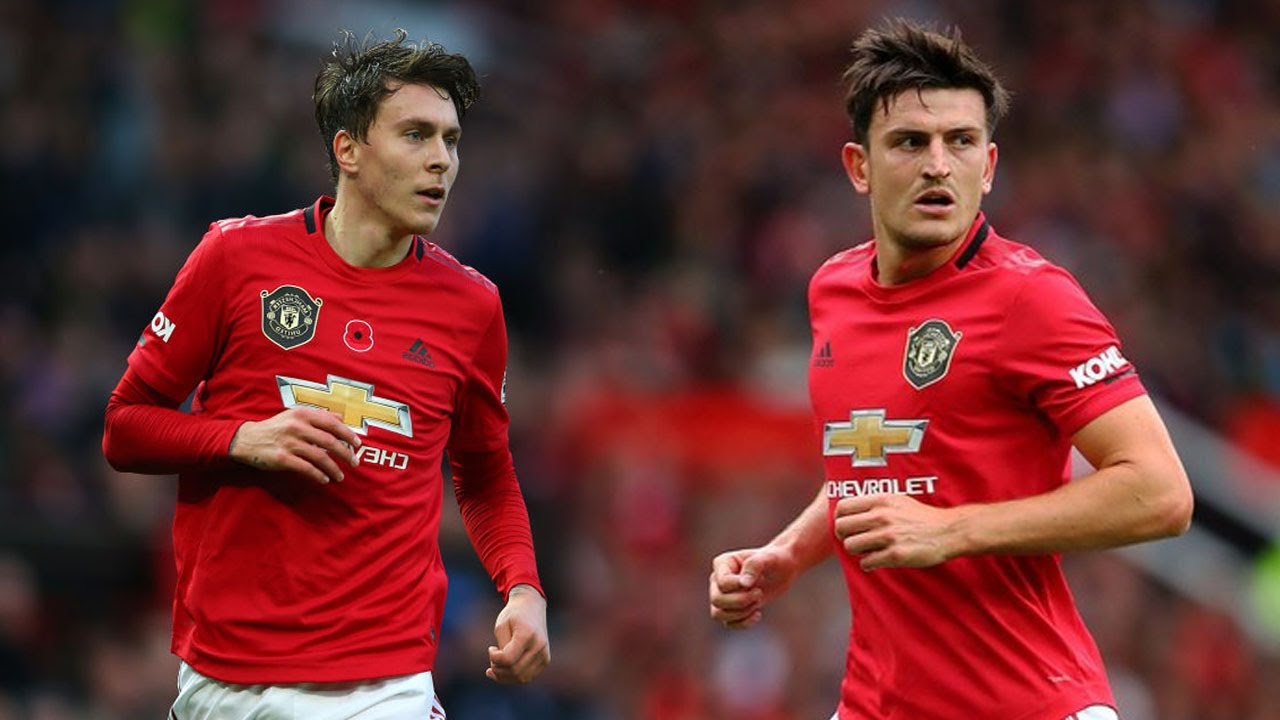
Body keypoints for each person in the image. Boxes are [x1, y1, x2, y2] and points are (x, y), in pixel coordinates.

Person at [708, 20, 1193, 720]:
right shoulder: (832, 291)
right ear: (859, 167)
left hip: (1030, 704)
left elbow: (1162, 493)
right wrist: (787, 553)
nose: (938, 164)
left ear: (988, 167)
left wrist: (951, 530)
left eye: (960, 142)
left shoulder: (1032, 297)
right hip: (875, 704)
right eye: (911, 142)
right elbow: (874, 468)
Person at [102, 30, 550, 719]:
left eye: (451, 140)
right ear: (348, 150)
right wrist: (242, 439)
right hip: (224, 677)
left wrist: (523, 588)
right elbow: (125, 428)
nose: (442, 160)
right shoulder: (235, 260)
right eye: (416, 135)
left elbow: (485, 472)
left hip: (383, 685)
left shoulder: (471, 306)